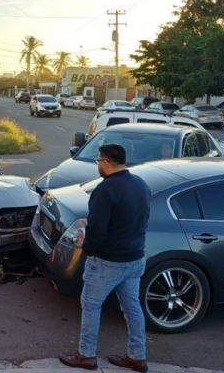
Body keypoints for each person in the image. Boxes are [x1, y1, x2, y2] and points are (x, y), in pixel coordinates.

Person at [59, 143, 151, 372]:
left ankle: (86, 355)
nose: (97, 165)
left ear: (107, 163)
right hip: (135, 258)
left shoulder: (105, 190)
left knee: (90, 305)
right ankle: (137, 356)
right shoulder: (140, 184)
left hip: (108, 261)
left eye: (98, 161)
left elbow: (97, 229)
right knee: (132, 307)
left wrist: (87, 249)